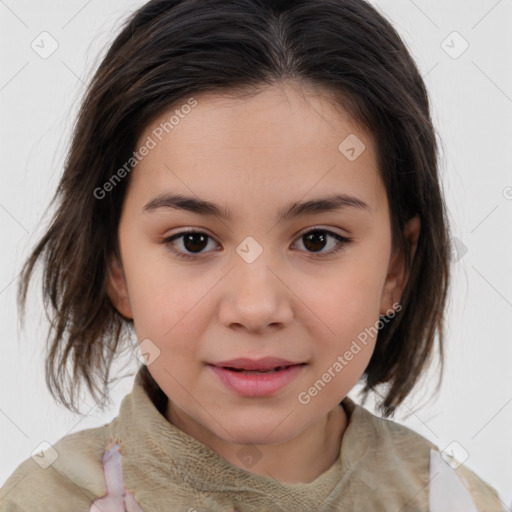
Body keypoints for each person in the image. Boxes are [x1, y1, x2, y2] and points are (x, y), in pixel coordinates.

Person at [0, 0, 506, 510]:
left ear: (396, 269)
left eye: (317, 240)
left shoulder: (453, 501)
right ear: (117, 268)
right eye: (193, 241)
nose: (256, 308)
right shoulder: (42, 501)